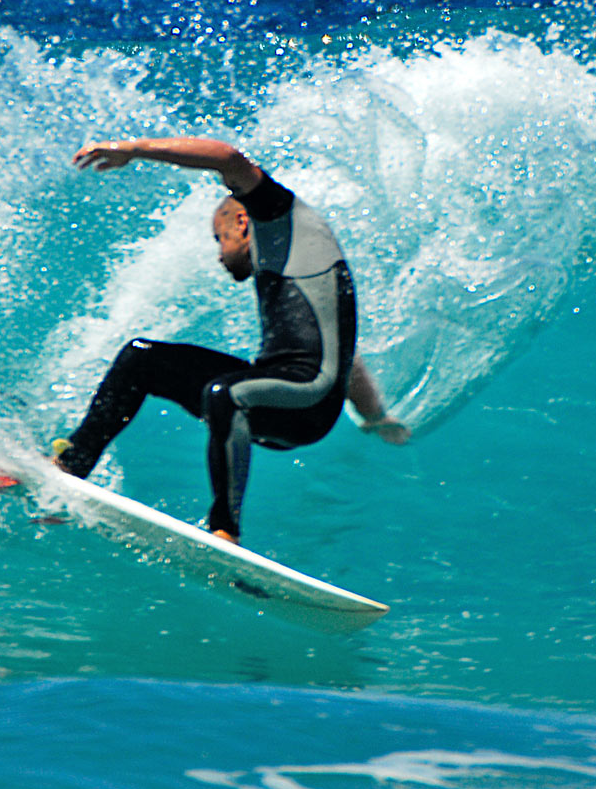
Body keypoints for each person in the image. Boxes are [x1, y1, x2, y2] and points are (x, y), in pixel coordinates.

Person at [52, 136, 409, 544]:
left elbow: (228, 158)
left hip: (306, 399)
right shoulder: (291, 264)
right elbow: (349, 355)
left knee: (226, 394)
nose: (220, 256)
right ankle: (69, 469)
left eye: (218, 239)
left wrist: (135, 150)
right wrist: (376, 416)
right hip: (279, 393)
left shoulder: (281, 219)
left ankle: (225, 529)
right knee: (141, 359)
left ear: (241, 224)